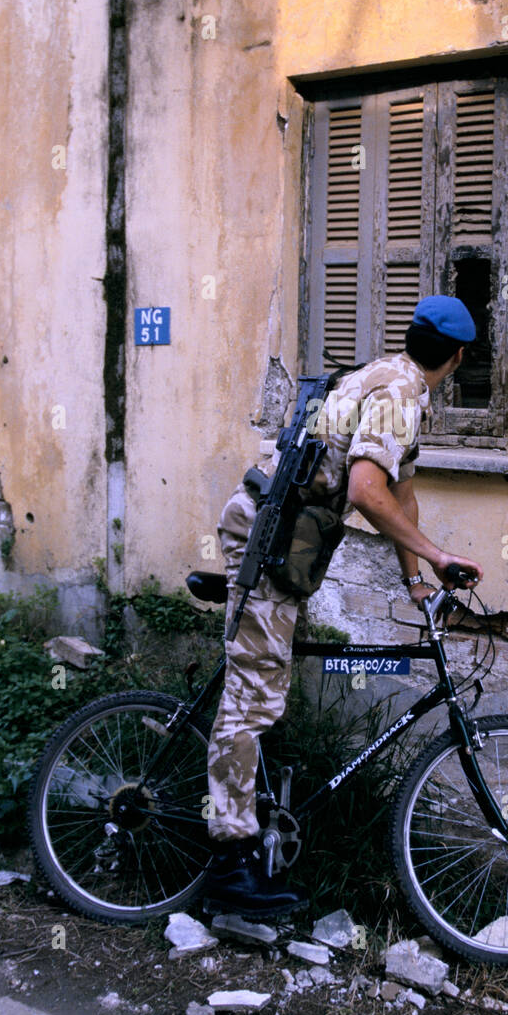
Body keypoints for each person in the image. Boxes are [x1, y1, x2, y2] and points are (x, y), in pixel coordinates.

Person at [202, 295, 485, 916]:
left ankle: (254, 830)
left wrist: (416, 582)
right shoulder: (399, 394)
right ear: (459, 357)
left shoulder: (391, 379)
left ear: (413, 338)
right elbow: (365, 489)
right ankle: (229, 862)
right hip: (266, 538)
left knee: (264, 686)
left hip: (279, 536)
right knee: (254, 699)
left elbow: (398, 497)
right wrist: (438, 557)